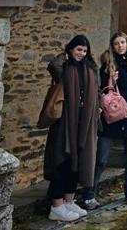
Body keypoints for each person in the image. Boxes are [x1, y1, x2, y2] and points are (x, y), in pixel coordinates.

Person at [83, 32, 127, 209]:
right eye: (116, 43)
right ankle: (89, 194)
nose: (120, 46)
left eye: (122, 42)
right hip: (112, 117)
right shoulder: (108, 65)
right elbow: (99, 88)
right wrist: (111, 79)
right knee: (101, 158)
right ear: (112, 46)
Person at [43, 34, 100, 223]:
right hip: (65, 124)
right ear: (71, 49)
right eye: (78, 50)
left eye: (84, 50)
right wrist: (65, 55)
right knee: (62, 162)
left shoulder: (90, 69)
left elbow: (96, 91)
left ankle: (69, 200)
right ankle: (56, 206)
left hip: (83, 125)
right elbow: (53, 65)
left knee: (77, 164)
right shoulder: (65, 69)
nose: (81, 54)